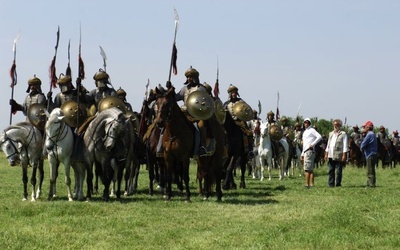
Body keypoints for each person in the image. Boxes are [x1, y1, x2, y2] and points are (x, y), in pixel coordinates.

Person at [175, 66, 208, 157]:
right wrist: (170, 89)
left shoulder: (200, 88)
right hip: (185, 114)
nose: (189, 79)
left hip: (197, 115)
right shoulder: (184, 89)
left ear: (195, 78)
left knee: (200, 126)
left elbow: (205, 102)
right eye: (188, 77)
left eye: (191, 77)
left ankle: (202, 146)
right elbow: (175, 98)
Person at [224, 84, 254, 158]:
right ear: (230, 94)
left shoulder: (241, 102)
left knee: (249, 133)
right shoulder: (226, 103)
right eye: (232, 93)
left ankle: (250, 150)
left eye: (235, 92)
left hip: (239, 121)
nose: (234, 94)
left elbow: (246, 110)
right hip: (228, 122)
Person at [324, 119, 348, 187]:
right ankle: (331, 184)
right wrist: (326, 153)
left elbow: (345, 145)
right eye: (334, 125)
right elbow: (328, 144)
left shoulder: (343, 134)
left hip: (339, 154)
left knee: (338, 171)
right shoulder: (331, 133)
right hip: (331, 154)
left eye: (337, 125)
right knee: (331, 170)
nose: (335, 126)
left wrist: (344, 155)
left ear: (340, 125)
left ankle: (338, 184)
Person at [300, 118, 322, 188]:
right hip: (305, 151)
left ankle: (308, 184)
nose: (305, 124)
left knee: (307, 169)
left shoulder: (312, 130)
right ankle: (311, 184)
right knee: (309, 168)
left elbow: (319, 137)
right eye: (305, 122)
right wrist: (302, 154)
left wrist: (313, 144)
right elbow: (304, 144)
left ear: (309, 123)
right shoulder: (305, 131)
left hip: (309, 150)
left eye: (307, 122)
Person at [360, 121, 378, 188]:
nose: (363, 128)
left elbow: (363, 144)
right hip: (373, 154)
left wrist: (361, 148)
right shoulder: (373, 134)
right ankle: (370, 183)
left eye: (364, 127)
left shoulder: (369, 134)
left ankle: (371, 185)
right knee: (372, 170)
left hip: (370, 154)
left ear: (368, 127)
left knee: (370, 170)